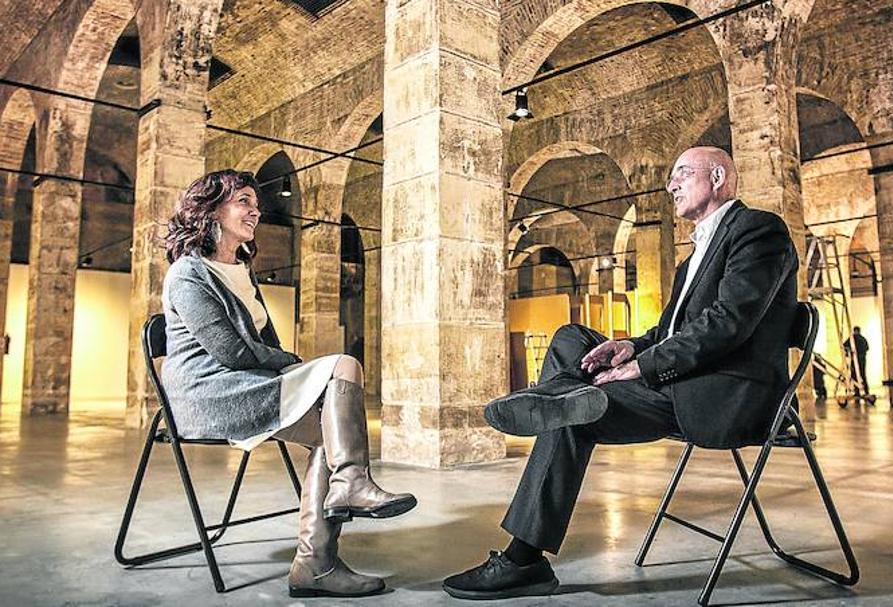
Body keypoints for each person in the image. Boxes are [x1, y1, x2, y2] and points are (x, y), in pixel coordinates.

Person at [442, 147, 799, 600]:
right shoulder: (692, 259)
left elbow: (728, 324)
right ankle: (557, 394)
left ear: (716, 177)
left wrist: (642, 366)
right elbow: (670, 331)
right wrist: (632, 345)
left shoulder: (758, 230)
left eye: (681, 174)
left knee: (573, 418)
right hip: (679, 377)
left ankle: (523, 561)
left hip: (719, 392)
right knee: (572, 337)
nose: (670, 185)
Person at [161, 170, 416, 598]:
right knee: (343, 365)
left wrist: (290, 367)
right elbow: (230, 352)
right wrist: (294, 366)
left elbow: (262, 344)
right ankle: (350, 484)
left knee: (332, 432)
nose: (255, 210)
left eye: (254, 203)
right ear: (211, 210)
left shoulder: (241, 267)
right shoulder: (188, 274)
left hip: (248, 382)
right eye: (243, 200)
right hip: (210, 393)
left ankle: (315, 562)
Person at [843, 326, 870, 399]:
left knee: (854, 375)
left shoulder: (852, 338)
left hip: (855, 360)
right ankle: (866, 391)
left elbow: (844, 345)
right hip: (862, 360)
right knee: (863, 375)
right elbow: (867, 348)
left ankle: (857, 391)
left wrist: (849, 352)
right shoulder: (863, 339)